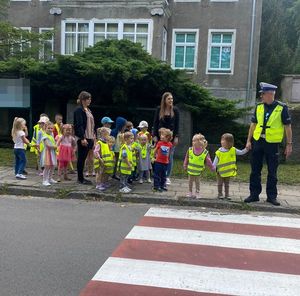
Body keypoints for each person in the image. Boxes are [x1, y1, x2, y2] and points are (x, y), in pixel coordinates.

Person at [244, 82, 292, 206]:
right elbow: (253, 124)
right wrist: (249, 140)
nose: (261, 96)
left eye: (263, 94)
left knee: (272, 171)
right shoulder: (259, 107)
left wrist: (289, 144)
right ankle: (254, 195)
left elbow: (287, 127)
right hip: (258, 141)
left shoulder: (282, 108)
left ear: (270, 94)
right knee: (255, 169)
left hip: (272, 144)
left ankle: (271, 196)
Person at [153, 92, 179, 185]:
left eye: (172, 99)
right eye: (169, 99)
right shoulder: (159, 109)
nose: (171, 100)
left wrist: (176, 137)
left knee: (169, 156)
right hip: (160, 137)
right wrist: (154, 135)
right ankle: (158, 175)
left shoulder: (175, 110)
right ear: (164, 100)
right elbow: (155, 123)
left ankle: (167, 176)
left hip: (170, 138)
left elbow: (177, 125)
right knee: (159, 156)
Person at [213, 133, 248, 200]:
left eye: (224, 140)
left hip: (228, 172)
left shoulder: (233, 150)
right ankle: (220, 194)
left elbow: (241, 152)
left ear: (230, 142)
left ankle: (227, 195)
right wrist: (213, 167)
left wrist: (246, 149)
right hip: (220, 172)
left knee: (227, 184)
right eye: (222, 140)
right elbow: (215, 161)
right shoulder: (219, 152)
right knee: (219, 184)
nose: (222, 142)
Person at [183, 133, 214, 198]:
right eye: (193, 141)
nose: (193, 142)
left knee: (197, 182)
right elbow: (186, 157)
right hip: (190, 170)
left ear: (199, 142)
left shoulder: (205, 152)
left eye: (194, 141)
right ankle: (190, 192)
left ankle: (197, 192)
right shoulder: (190, 150)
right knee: (190, 182)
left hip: (198, 171)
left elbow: (209, 161)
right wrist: (185, 165)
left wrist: (212, 167)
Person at [74, 91, 95, 184]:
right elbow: (79, 125)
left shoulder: (88, 110)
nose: (89, 100)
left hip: (90, 137)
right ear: (83, 100)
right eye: (88, 98)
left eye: (90, 98)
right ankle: (80, 178)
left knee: (85, 157)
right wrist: (82, 138)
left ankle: (82, 177)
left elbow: (91, 124)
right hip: (84, 137)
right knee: (81, 158)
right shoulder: (79, 110)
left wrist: (93, 136)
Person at [152, 128, 173, 192]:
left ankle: (162, 185)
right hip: (158, 162)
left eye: (163, 135)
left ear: (168, 137)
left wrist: (168, 160)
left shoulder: (170, 144)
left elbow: (169, 152)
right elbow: (155, 151)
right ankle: (156, 186)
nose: (161, 136)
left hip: (165, 162)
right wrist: (153, 157)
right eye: (161, 134)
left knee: (164, 175)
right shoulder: (159, 143)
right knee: (157, 174)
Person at [40, 121, 57, 186]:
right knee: (47, 167)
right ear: (45, 128)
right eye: (48, 128)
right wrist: (56, 146)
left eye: (51, 128)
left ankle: (50, 178)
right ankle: (44, 180)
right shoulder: (45, 136)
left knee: (52, 166)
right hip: (47, 153)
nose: (50, 130)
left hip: (52, 152)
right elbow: (48, 145)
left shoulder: (51, 135)